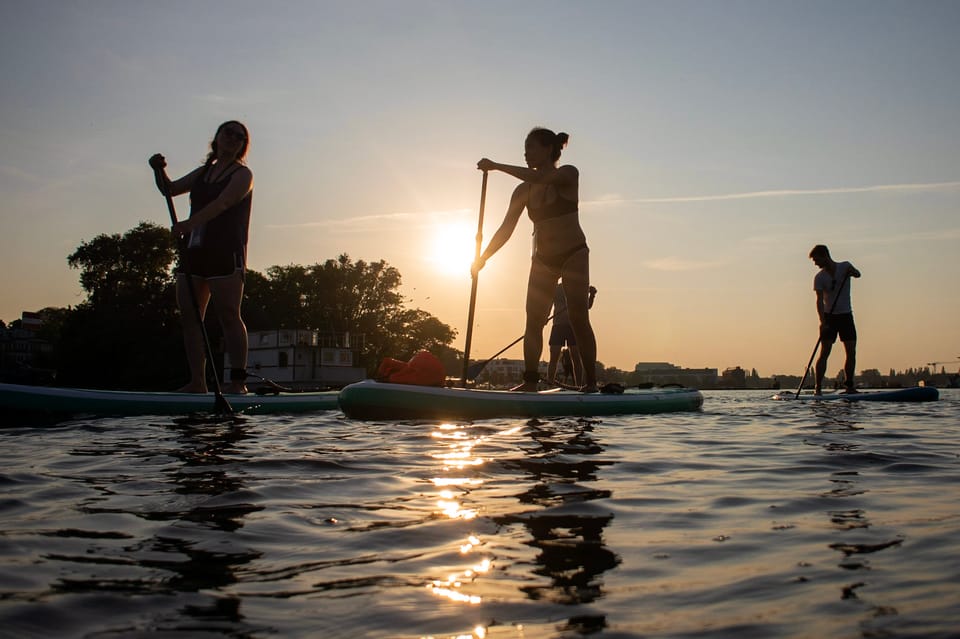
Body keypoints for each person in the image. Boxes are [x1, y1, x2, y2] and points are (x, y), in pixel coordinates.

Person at [472, 127, 598, 392]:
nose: (525, 153)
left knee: (578, 319)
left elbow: (541, 178)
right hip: (543, 259)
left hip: (573, 254)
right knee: (533, 321)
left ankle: (591, 384)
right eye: (524, 147)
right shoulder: (522, 191)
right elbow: (506, 229)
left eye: (531, 147)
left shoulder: (568, 174)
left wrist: (496, 166)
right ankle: (530, 382)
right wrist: (483, 258)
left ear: (548, 149)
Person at [149, 121, 253, 394]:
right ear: (216, 138)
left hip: (225, 253)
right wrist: (157, 171)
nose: (233, 138)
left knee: (229, 315)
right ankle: (198, 382)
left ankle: (237, 383)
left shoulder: (243, 175)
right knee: (190, 317)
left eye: (240, 136)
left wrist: (189, 224)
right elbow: (168, 190)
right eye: (228, 132)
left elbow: (223, 204)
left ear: (243, 145)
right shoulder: (203, 173)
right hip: (194, 251)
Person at [809, 244, 861, 395]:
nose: (816, 264)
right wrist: (822, 322)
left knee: (851, 351)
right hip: (829, 317)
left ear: (825, 256)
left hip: (846, 315)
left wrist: (853, 272)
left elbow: (858, 274)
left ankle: (849, 386)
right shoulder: (819, 277)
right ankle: (817, 389)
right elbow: (819, 301)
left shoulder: (845, 267)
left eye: (817, 260)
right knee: (824, 352)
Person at [546, 282, 597, 386]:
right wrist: (545, 317)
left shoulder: (578, 287)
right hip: (558, 326)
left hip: (572, 326)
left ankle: (578, 385)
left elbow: (587, 306)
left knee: (576, 357)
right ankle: (549, 383)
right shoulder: (556, 288)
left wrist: (592, 295)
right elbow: (549, 303)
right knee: (554, 356)